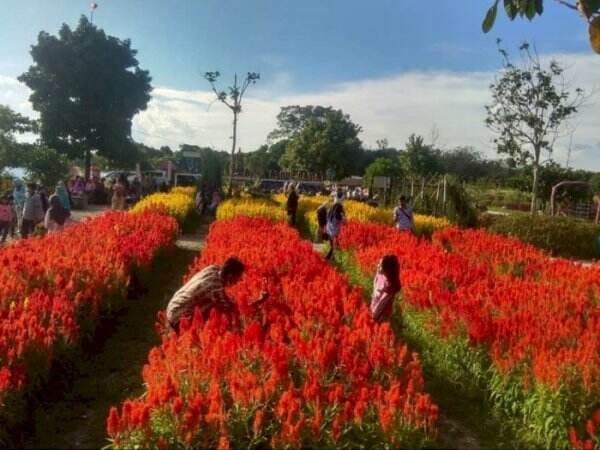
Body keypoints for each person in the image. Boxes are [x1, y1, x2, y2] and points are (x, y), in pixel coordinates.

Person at [166, 257, 268, 331]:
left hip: (173, 306)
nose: (238, 281)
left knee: (212, 308)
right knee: (217, 319)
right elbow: (235, 309)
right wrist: (259, 300)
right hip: (179, 317)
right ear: (230, 276)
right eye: (238, 278)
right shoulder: (215, 288)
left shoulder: (213, 269)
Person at [370, 255, 402, 323]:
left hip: (381, 315)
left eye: (380, 265)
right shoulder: (380, 275)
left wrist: (374, 317)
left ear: (387, 269)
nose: (377, 265)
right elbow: (375, 281)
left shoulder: (390, 285)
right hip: (374, 308)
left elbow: (382, 303)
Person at [325, 190, 346, 260]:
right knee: (335, 243)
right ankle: (330, 256)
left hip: (330, 226)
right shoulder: (339, 206)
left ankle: (331, 256)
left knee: (332, 243)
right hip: (335, 228)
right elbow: (337, 217)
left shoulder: (334, 205)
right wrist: (343, 219)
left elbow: (328, 215)